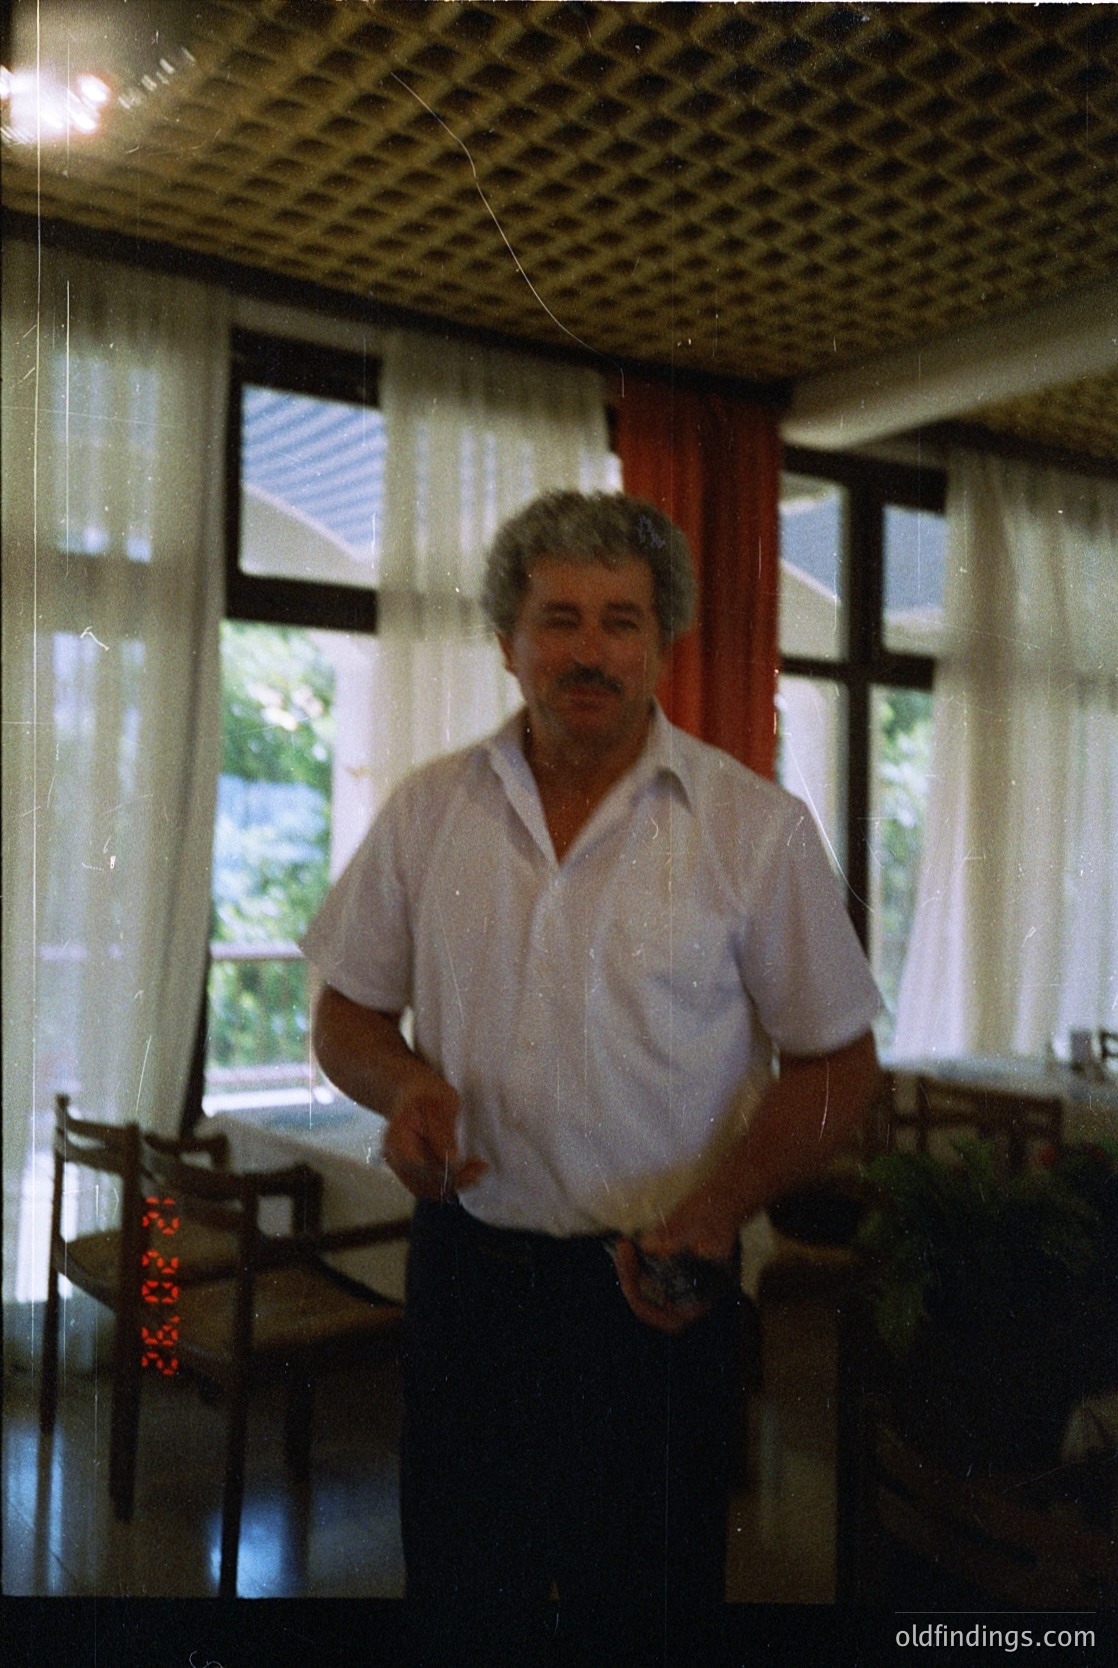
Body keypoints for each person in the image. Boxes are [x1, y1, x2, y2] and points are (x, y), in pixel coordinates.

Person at [304, 490, 881, 1666]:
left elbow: (840, 1064)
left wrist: (717, 1210)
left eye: (620, 620)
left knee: (648, 1607)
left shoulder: (752, 828)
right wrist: (406, 1088)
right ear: (506, 640)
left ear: (661, 639)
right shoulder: (426, 812)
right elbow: (344, 1013)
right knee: (465, 1598)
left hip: (656, 1288)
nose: (587, 649)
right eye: (556, 618)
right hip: (469, 1274)